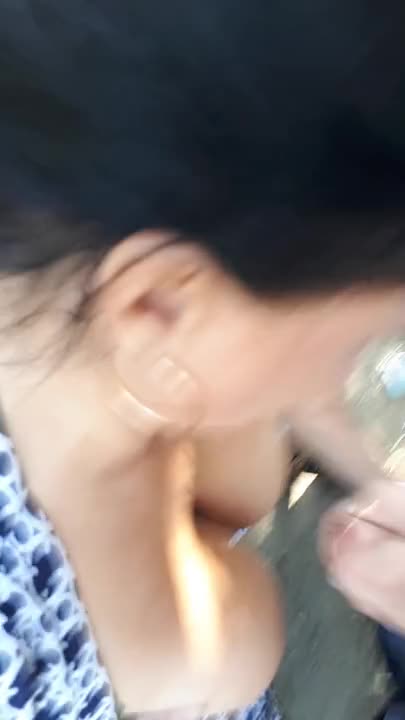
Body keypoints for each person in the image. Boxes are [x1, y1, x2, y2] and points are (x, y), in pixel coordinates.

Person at [2, 1, 405, 719]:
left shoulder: (73, 300)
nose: (344, 377)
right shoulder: (159, 656)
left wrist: (365, 469)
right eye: (359, 344)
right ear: (158, 303)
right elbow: (242, 525)